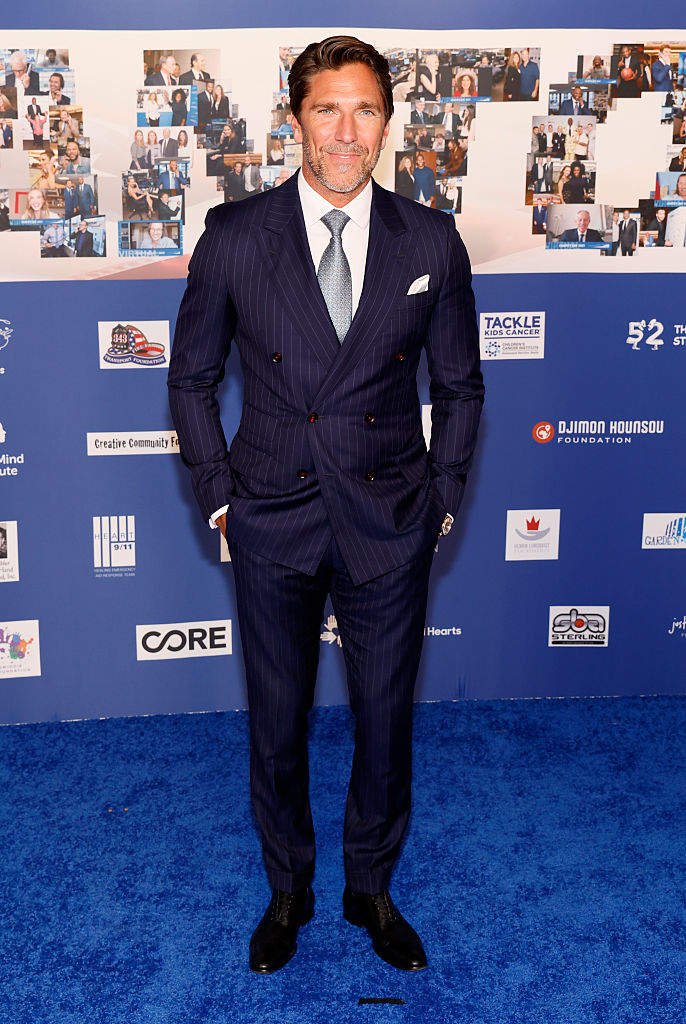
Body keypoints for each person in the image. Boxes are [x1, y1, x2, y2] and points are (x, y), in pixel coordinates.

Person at [168, 34, 483, 978]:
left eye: (366, 110)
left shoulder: (430, 239)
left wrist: (444, 497)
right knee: (277, 724)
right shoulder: (236, 236)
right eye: (327, 110)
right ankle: (288, 889)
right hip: (272, 514)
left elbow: (460, 387)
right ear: (296, 120)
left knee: (385, 724)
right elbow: (191, 378)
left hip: (390, 517)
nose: (347, 132)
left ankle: (369, 887)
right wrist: (219, 497)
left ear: (387, 122)